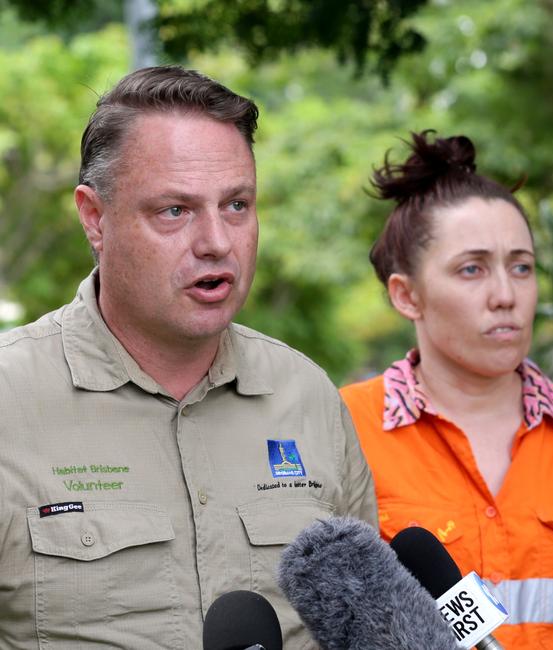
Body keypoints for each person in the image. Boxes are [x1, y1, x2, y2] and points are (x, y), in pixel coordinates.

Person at [0, 65, 377, 649]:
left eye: (236, 205)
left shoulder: (305, 394)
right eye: (174, 210)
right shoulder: (10, 398)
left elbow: (365, 629)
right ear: (95, 219)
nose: (216, 242)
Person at [340, 130, 553, 648]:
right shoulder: (344, 427)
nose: (506, 295)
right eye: (472, 269)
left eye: (522, 267)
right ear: (407, 295)